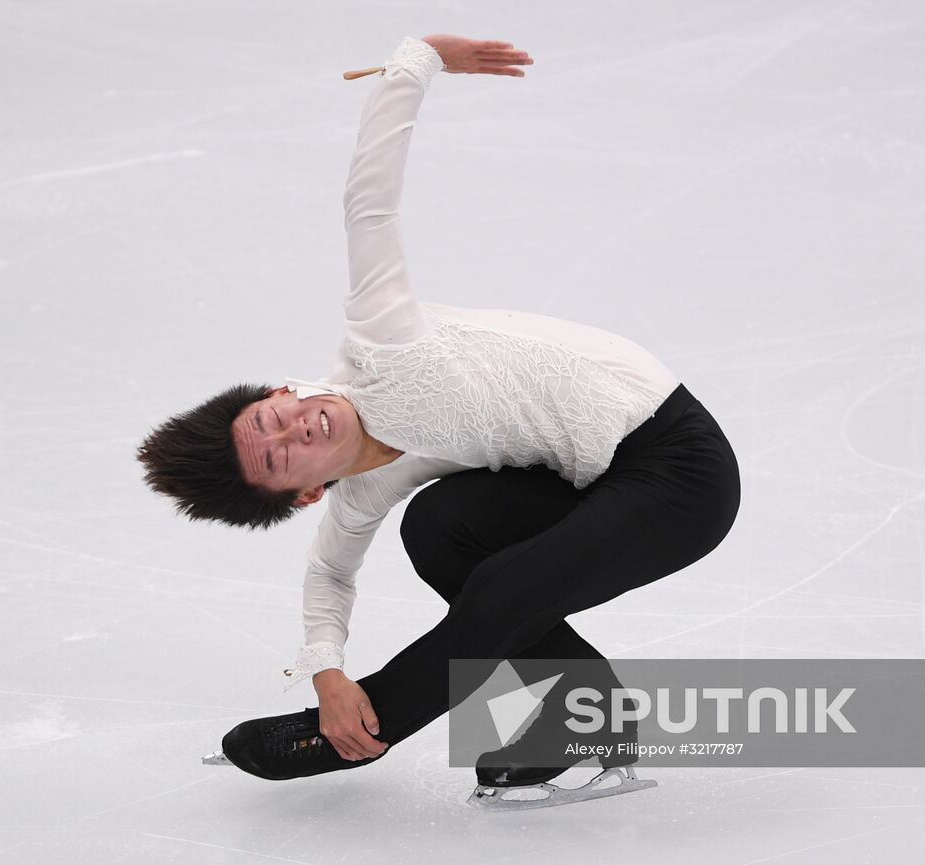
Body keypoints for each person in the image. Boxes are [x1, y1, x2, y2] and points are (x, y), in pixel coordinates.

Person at [137, 33, 741, 788]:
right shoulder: (360, 492)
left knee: (503, 586)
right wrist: (327, 672)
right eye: (279, 456)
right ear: (304, 492)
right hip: (594, 477)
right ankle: (595, 711)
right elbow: (329, 571)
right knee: (437, 527)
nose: (295, 428)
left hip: (676, 467)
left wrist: (416, 60)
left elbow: (369, 200)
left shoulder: (383, 343)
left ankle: (373, 726)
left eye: (271, 418)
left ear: (280, 390)